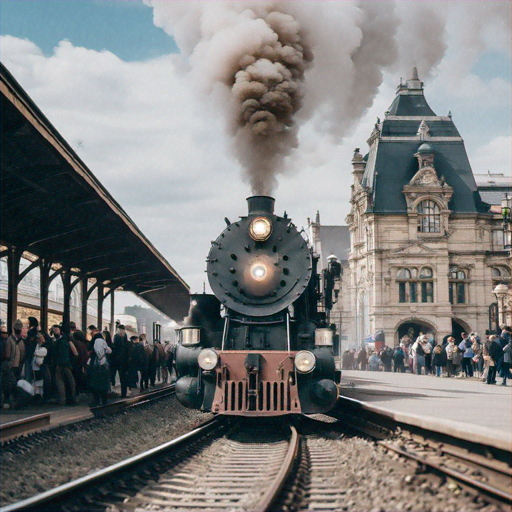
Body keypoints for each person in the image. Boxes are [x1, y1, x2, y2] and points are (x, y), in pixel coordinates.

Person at [52, 324, 78, 405]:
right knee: (71, 381)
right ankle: (73, 398)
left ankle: (62, 400)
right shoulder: (68, 341)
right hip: (67, 364)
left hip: (59, 364)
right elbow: (75, 353)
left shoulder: (55, 342)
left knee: (60, 382)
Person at [88, 331, 112, 406]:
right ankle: (104, 400)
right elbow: (109, 351)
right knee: (103, 385)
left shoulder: (96, 341)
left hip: (96, 367)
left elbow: (98, 352)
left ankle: (97, 401)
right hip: (104, 367)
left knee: (96, 385)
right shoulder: (103, 342)